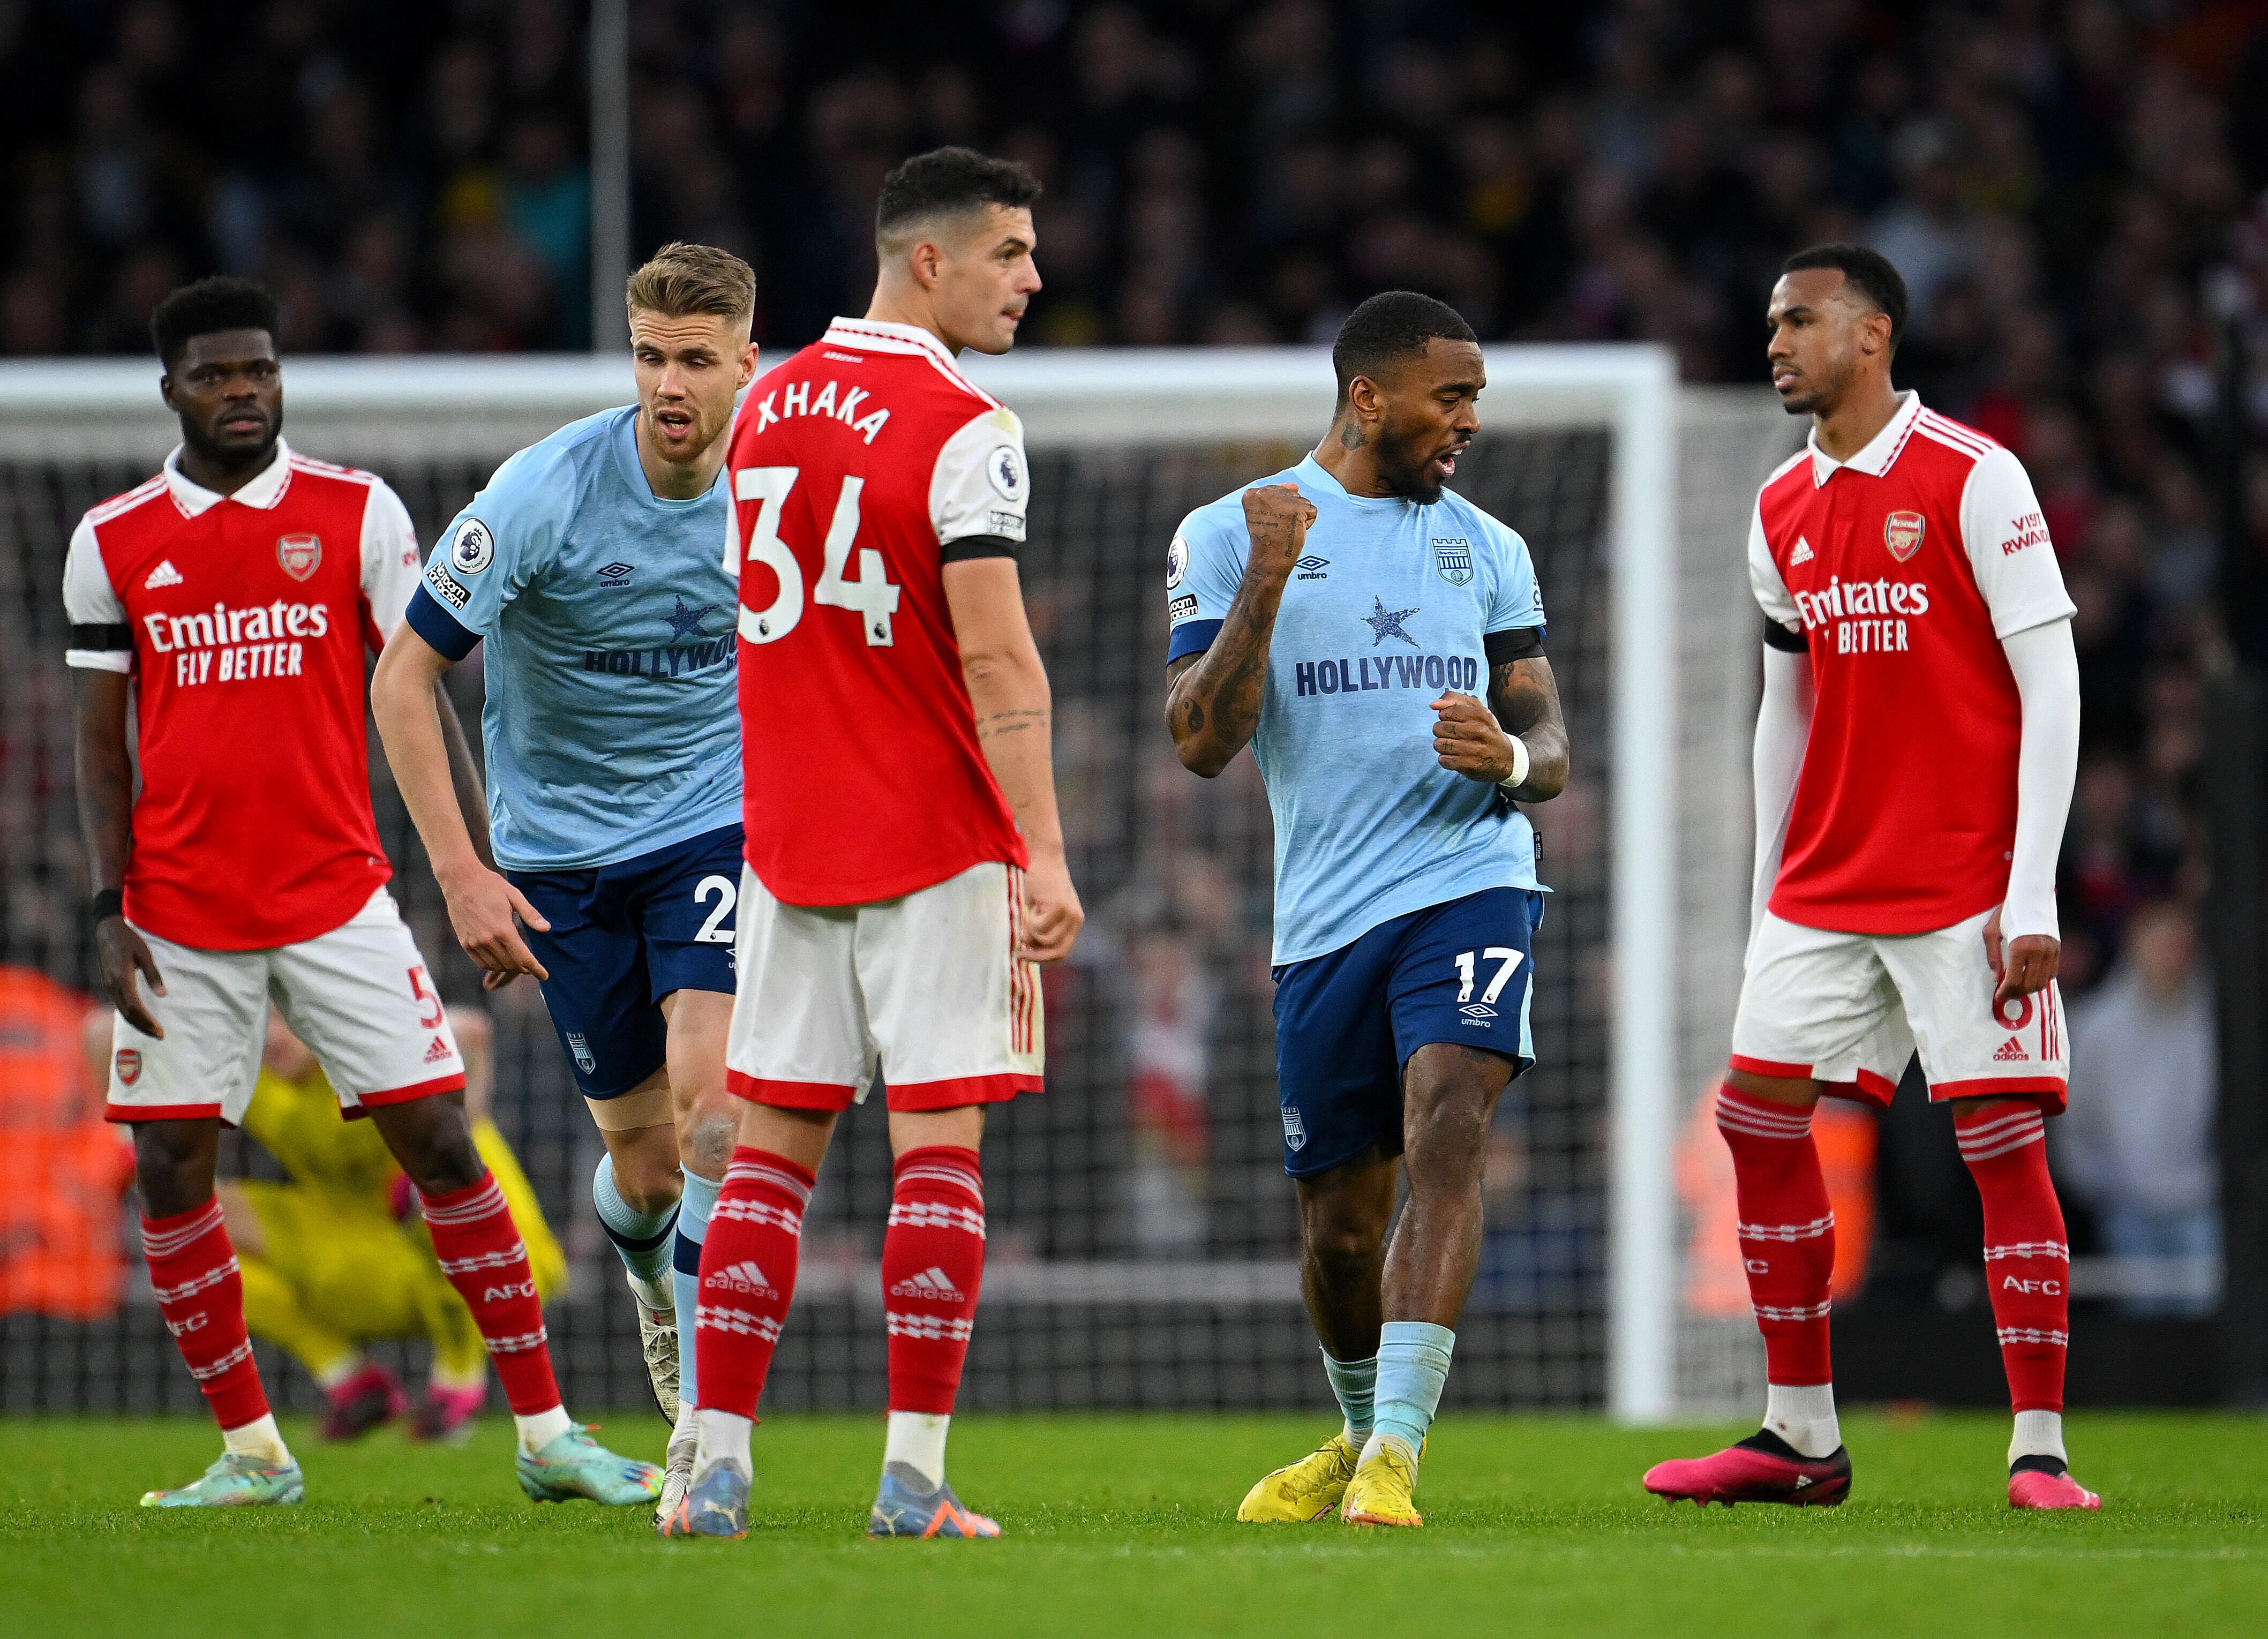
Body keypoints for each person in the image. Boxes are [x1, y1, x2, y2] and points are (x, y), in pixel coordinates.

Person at [65, 276, 658, 1509]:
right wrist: (103, 901)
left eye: (261, 371)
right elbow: (99, 741)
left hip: (339, 897)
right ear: (173, 388)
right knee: (170, 1170)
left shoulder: (354, 513)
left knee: (442, 1140)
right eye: (219, 375)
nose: (245, 393)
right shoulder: (112, 540)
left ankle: (545, 1432)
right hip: (178, 915)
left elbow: (424, 689)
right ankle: (253, 1452)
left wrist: (479, 863)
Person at [666, 147, 1083, 1542]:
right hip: (935, 836)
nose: (1031, 278)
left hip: (788, 841)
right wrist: (1045, 848)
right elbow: (998, 657)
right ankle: (911, 1478)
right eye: (1010, 252)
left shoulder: (762, 402)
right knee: (936, 1157)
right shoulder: (969, 424)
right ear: (929, 261)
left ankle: (710, 1462)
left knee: (771, 1157)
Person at [1640, 245, 2094, 1511]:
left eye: (1799, 319)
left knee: (1997, 1143)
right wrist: (1759, 892)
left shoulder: (1971, 476)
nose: (1774, 340)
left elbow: (2048, 677)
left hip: (1963, 877)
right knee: (1752, 1118)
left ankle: (2037, 1449)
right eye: (1768, 320)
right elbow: (1779, 709)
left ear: (1872, 335)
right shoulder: (1778, 503)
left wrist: (2032, 886)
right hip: (1823, 883)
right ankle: (1797, 1436)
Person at [1163, 290, 1570, 1529]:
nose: (1467, 422)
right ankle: (1353, 1431)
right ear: (1366, 395)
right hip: (1324, 917)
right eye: (1450, 397)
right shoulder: (1232, 532)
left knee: (1449, 1123)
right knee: (1338, 1231)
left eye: (1475, 399)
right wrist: (1265, 591)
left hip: (1469, 878)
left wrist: (1503, 757)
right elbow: (1195, 740)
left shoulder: (1487, 546)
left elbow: (1548, 736)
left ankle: (1393, 1454)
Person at [372, 243, 756, 1515]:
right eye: (650, 356)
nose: (668, 384)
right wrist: (463, 876)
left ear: (745, 362)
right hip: (560, 860)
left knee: (715, 1117)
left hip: (713, 830)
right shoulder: (543, 490)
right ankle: (653, 1274)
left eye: (695, 358)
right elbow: (403, 677)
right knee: (645, 1172)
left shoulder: (780, 486)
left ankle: (706, 1429)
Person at [79, 1004, 565, 1442]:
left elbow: (468, 1030)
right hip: (364, 1264)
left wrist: (462, 1121)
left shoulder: (364, 1059)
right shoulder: (252, 1072)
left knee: (433, 1187)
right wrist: (134, 1147)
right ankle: (350, 1380)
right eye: (258, 1020)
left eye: (284, 1018)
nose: (271, 1037)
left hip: (505, 1270)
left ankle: (459, 1379)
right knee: (181, 1216)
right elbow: (102, 1031)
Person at [2056, 899, 2219, 1318]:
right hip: (2126, 1205)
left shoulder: (2217, 1025)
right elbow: (2074, 1119)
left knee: (2209, 1324)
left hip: (2201, 1202)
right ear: (2135, 944)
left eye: (2181, 943)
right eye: (2161, 941)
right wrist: (2096, 1182)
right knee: (2140, 1331)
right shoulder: (2096, 1026)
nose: (2172, 954)